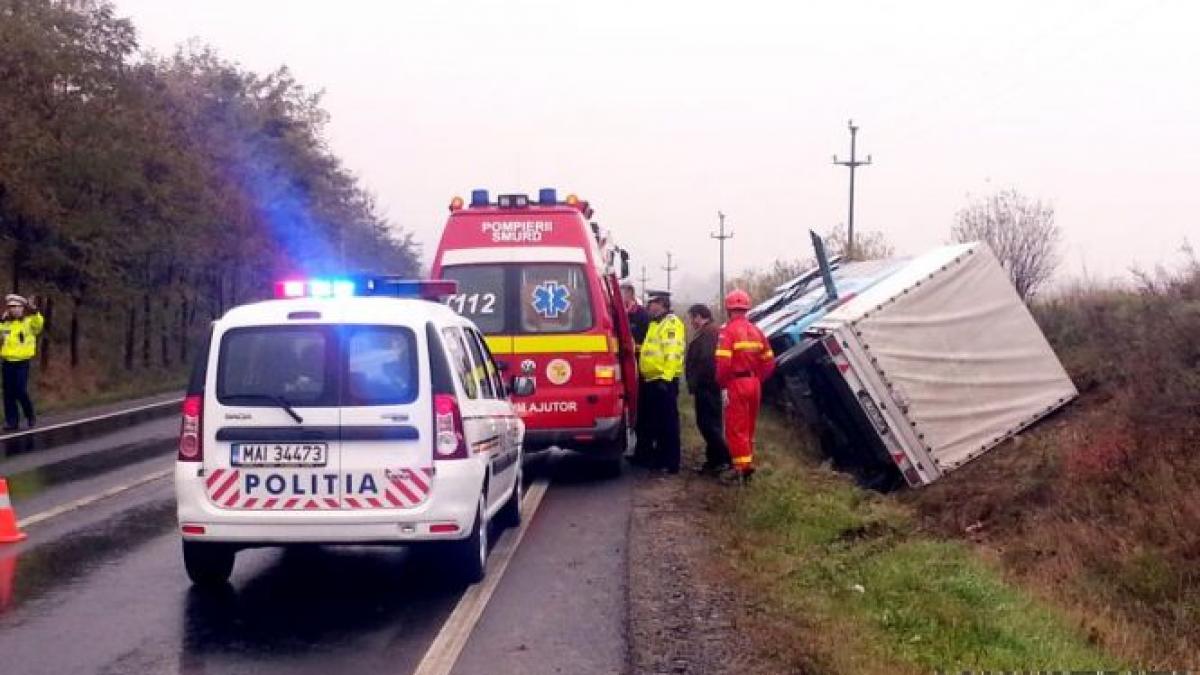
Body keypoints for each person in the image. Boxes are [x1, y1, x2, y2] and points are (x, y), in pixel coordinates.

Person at [715, 289, 775, 482]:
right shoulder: (757, 331)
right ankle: (747, 463)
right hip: (754, 383)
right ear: (746, 309)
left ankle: (741, 470)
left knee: (735, 427)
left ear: (728, 309)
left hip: (736, 384)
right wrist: (757, 378)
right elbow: (769, 361)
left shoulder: (728, 332)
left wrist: (722, 383)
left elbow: (723, 364)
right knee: (749, 426)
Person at [631, 290, 685, 473]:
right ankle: (660, 458)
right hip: (652, 380)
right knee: (657, 423)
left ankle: (671, 463)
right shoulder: (655, 324)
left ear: (662, 303)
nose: (648, 306)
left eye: (652, 302)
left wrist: (666, 379)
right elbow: (650, 350)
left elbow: (672, 353)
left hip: (663, 382)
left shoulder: (670, 324)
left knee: (668, 424)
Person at [685, 303, 730, 475]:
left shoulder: (709, 333)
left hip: (707, 386)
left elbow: (707, 361)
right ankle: (714, 461)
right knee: (708, 423)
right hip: (706, 386)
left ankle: (724, 459)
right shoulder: (708, 332)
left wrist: (697, 380)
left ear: (699, 316)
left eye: (692, 318)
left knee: (709, 424)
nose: (691, 322)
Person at [1, 294, 45, 431]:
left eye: (15, 307)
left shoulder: (29, 322)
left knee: (20, 390)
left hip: (22, 362)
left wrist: (35, 310)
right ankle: (11, 421)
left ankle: (30, 414)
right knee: (8, 393)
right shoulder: (6, 324)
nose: (12, 310)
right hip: (8, 362)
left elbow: (39, 324)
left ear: (21, 308)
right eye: (10, 307)